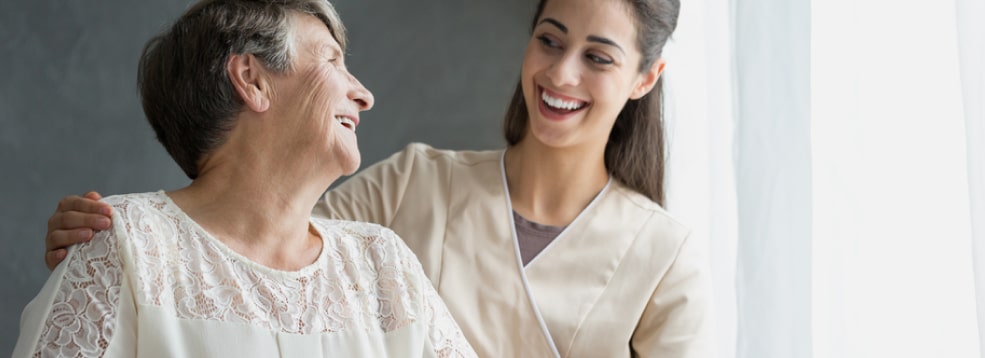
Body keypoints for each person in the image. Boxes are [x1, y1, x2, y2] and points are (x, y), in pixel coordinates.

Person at [42, 0, 713, 356]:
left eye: (597, 56)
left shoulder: (664, 254)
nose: (561, 74)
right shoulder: (412, 187)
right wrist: (125, 241)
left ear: (644, 78)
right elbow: (258, 233)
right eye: (548, 39)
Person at [15, 0, 477, 357]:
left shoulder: (384, 264)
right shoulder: (124, 248)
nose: (364, 95)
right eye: (332, 61)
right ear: (252, 79)